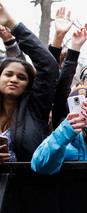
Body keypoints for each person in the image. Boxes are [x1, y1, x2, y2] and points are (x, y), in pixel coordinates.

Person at [0, 2, 59, 161]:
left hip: (25, 184)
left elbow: (48, 66)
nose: (14, 79)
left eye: (21, 77)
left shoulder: (35, 108)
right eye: (8, 74)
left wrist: (12, 24)